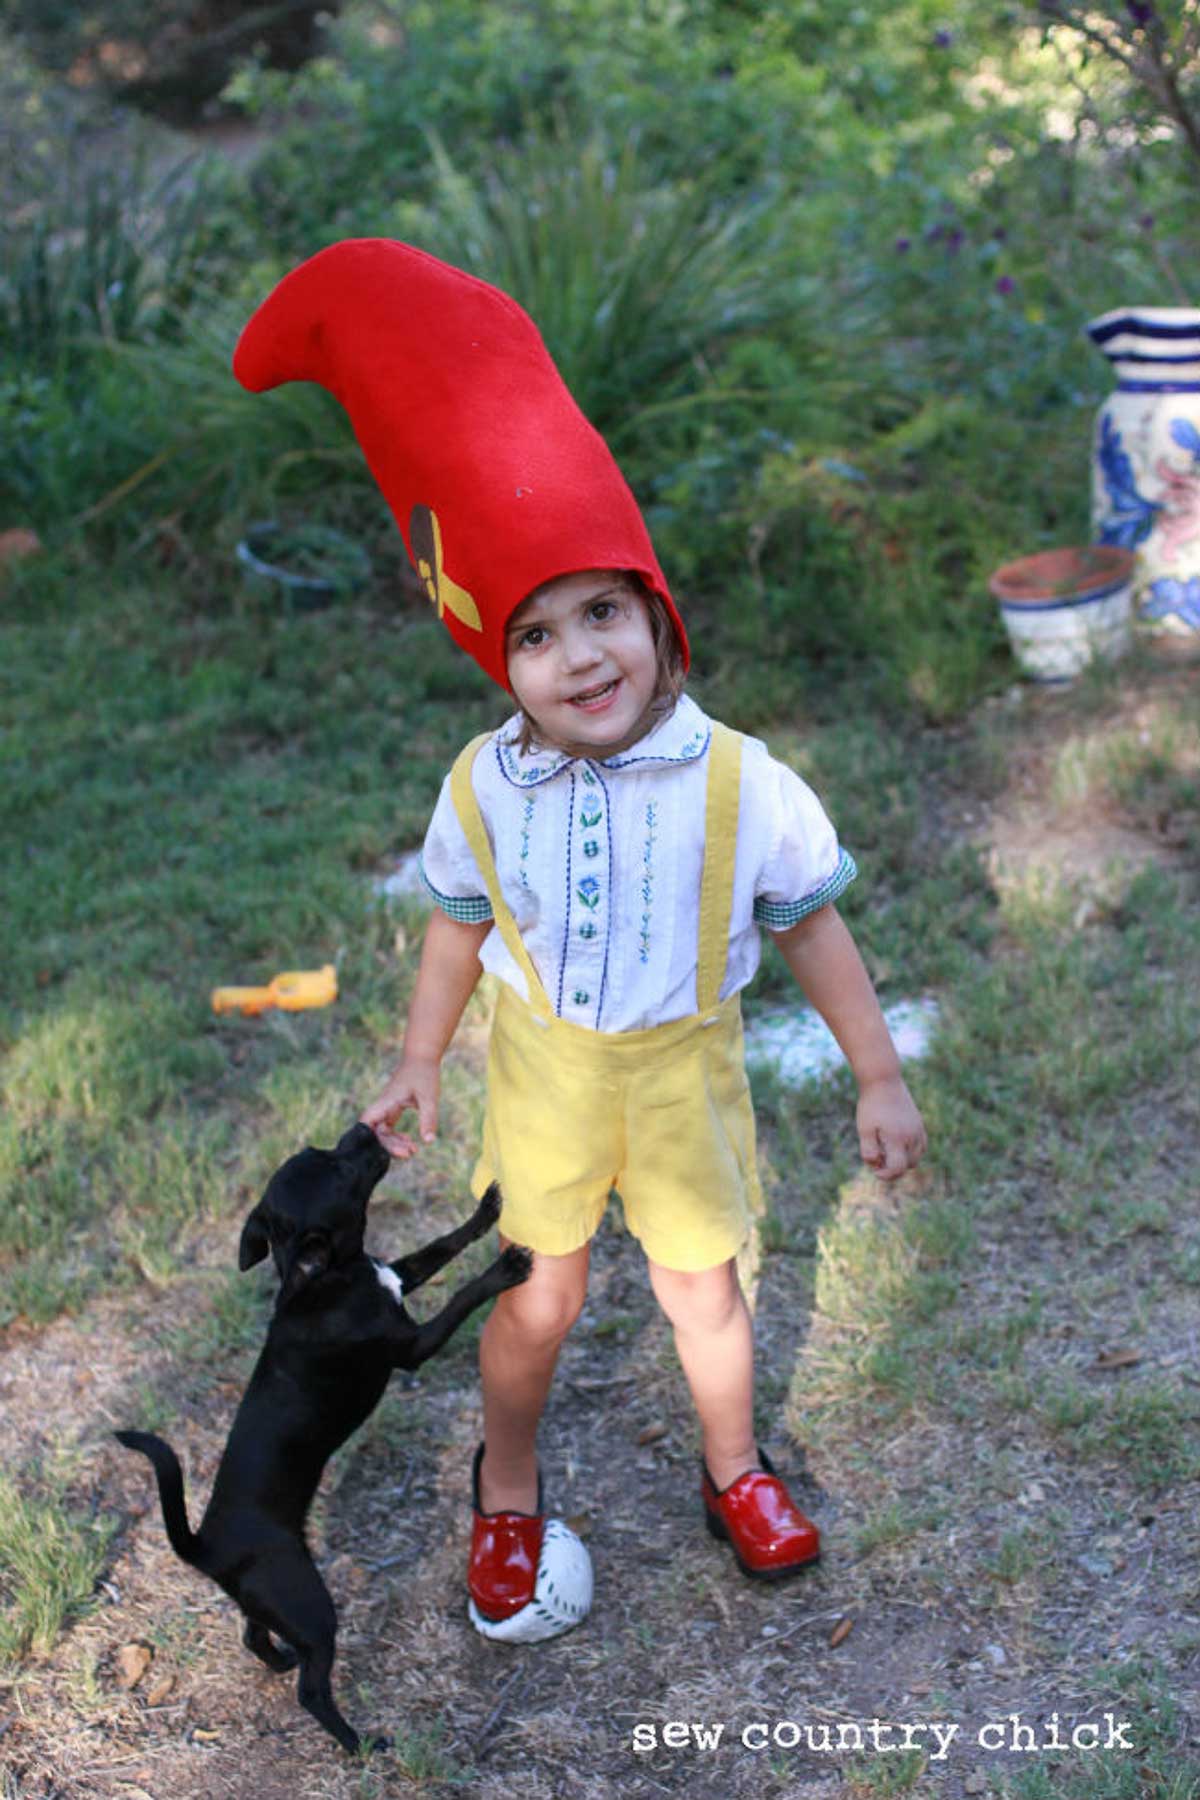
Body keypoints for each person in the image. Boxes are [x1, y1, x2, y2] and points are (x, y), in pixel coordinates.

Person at [233, 238, 927, 1632]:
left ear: (660, 620)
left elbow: (813, 928)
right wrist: (424, 1059)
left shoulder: (743, 780)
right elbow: (456, 926)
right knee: (536, 1303)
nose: (582, 657)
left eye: (606, 612)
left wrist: (878, 1071)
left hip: (679, 1072)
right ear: (505, 661)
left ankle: (738, 1468)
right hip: (549, 1070)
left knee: (703, 1292)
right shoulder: (486, 785)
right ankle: (508, 1485)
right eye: (540, 634)